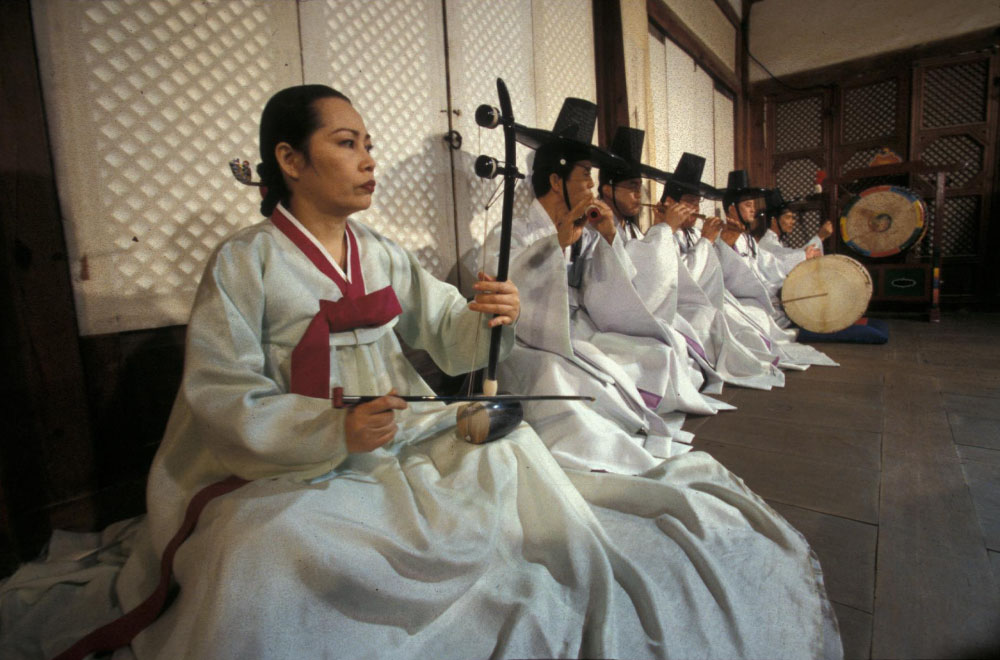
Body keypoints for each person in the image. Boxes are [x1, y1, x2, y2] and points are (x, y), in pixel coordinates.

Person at [32, 85, 842, 660]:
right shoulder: (243, 265)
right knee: (263, 550)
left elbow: (447, 337)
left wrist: (482, 314)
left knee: (507, 454)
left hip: (394, 434)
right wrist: (327, 428)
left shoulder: (380, 253)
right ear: (288, 158)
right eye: (346, 143)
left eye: (369, 144)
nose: (367, 159)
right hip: (277, 469)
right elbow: (220, 394)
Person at [481, 100, 732, 475]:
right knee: (559, 376)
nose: (592, 186)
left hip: (578, 328)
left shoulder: (586, 229)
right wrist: (556, 244)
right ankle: (602, 444)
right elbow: (504, 284)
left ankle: (630, 418)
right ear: (555, 181)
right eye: (585, 176)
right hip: (527, 342)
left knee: (655, 350)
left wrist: (610, 236)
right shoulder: (511, 233)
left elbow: (611, 289)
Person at [606, 144, 784, 390]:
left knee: (729, 316)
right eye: (690, 202)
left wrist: (722, 242)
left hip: (676, 299)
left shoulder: (649, 231)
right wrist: (702, 240)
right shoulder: (658, 234)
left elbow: (706, 274)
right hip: (646, 306)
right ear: (670, 203)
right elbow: (676, 277)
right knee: (702, 321)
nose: (696, 210)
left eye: (697, 203)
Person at [716, 170, 837, 367]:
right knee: (758, 317)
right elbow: (723, 273)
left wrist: (800, 256)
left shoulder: (748, 239)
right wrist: (726, 245)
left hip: (752, 294)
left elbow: (769, 263)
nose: (753, 210)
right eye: (748, 205)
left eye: (754, 205)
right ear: (731, 209)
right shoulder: (722, 237)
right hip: (735, 297)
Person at [757, 187, 832, 272]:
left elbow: (794, 255)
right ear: (774, 221)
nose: (793, 221)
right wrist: (820, 237)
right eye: (788, 217)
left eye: (793, 218)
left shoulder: (778, 241)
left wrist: (820, 238)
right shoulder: (767, 243)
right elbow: (787, 258)